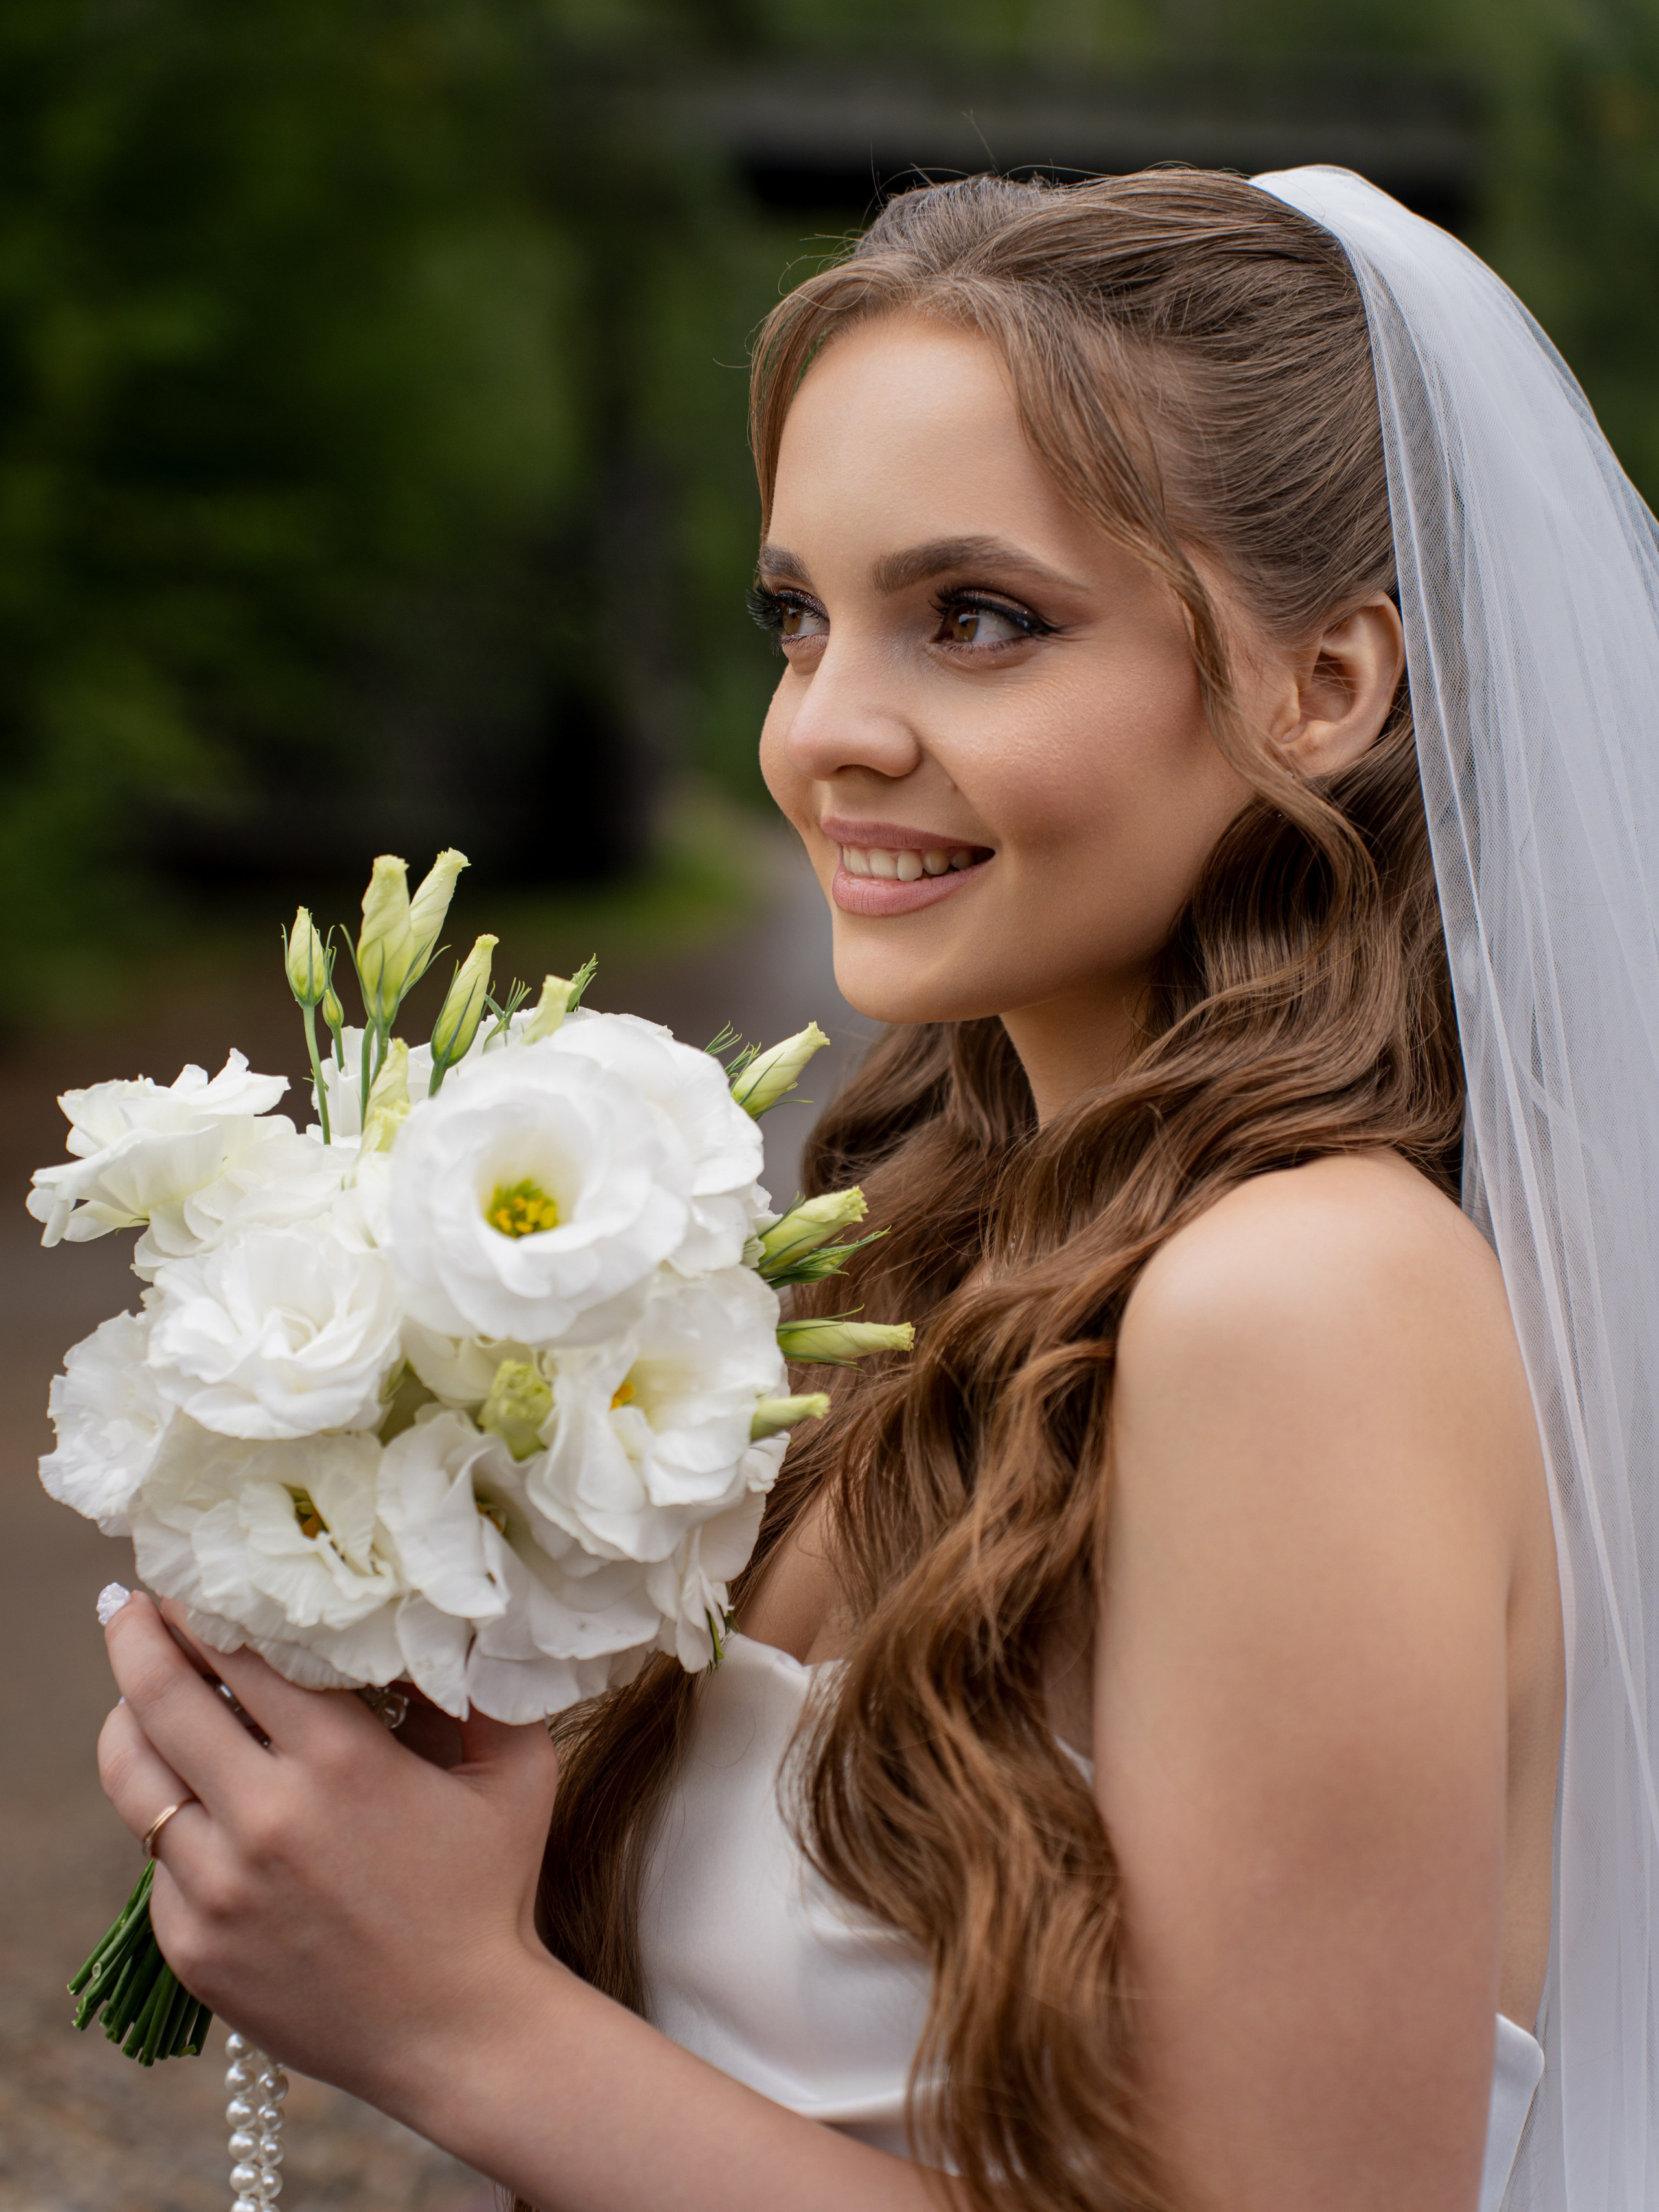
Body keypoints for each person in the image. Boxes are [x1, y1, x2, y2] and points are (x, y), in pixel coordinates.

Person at [96, 165, 1659, 2212]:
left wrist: (460, 2021)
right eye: (799, 618)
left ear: (1329, 686)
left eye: (979, 621)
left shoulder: (1305, 1300)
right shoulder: (936, 1241)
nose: (826, 729)